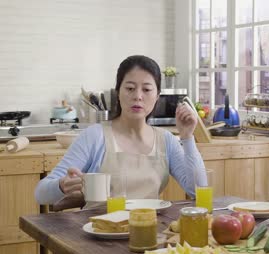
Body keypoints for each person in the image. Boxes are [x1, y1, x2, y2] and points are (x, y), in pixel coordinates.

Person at [35, 55, 205, 207]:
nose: (138, 96)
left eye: (146, 89)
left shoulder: (166, 140)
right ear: (118, 92)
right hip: (100, 234)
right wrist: (61, 185)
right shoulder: (95, 136)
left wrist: (187, 137)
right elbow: (41, 194)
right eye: (130, 88)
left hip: (149, 232)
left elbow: (198, 190)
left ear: (157, 96)